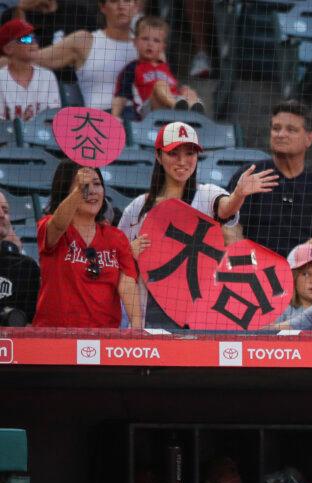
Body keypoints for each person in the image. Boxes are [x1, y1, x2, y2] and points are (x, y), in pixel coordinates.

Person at [118, 122, 277, 328]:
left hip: (201, 309)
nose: (182, 161)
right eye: (173, 154)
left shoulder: (206, 194)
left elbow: (225, 209)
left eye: (190, 153)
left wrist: (238, 194)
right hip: (150, 309)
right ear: (158, 156)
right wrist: (129, 252)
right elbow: (118, 258)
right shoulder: (138, 208)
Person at [32, 161, 141, 329]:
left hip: (104, 337)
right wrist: (79, 191)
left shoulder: (116, 237)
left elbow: (127, 284)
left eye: (97, 184)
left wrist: (137, 327)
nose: (92, 191)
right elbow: (58, 225)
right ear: (65, 191)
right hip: (55, 336)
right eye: (83, 185)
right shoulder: (49, 227)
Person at [226, 100, 312, 257]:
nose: (280, 135)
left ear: (310, 138)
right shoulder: (249, 175)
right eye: (276, 128)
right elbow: (229, 225)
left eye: (291, 130)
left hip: (304, 268)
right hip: (253, 265)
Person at [31, 0, 137, 111]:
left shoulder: (147, 44)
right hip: (99, 117)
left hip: (140, 118)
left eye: (127, 0)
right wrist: (21, 14)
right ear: (102, 7)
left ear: (136, 7)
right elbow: (30, 58)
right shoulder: (84, 41)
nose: (121, 6)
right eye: (114, 1)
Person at [112, 15, 201, 120]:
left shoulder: (165, 68)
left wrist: (183, 91)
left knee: (189, 91)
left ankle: (195, 115)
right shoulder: (132, 68)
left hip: (171, 105)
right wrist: (115, 116)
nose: (150, 44)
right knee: (160, 84)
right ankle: (179, 109)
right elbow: (121, 95)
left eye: (156, 41)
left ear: (163, 47)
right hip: (149, 112)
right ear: (135, 42)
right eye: (145, 39)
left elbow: (174, 89)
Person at [0, 19, 59, 121]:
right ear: (8, 48)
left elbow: (54, 118)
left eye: (34, 38)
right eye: (26, 39)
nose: (33, 43)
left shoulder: (48, 76)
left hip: (43, 131)